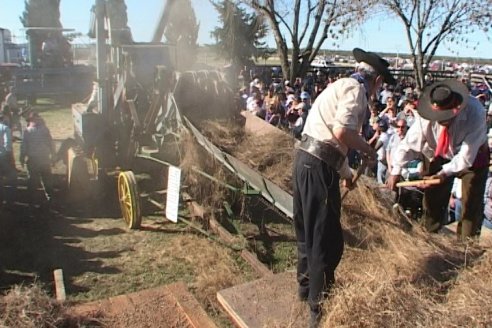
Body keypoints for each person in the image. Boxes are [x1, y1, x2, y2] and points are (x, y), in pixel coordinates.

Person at [293, 48, 395, 327]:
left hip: (304, 160)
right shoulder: (356, 90)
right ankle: (319, 310)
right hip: (318, 169)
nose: (378, 91)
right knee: (325, 240)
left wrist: (347, 173)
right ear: (377, 82)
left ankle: (305, 290)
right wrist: (367, 151)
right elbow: (342, 134)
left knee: (306, 232)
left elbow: (328, 141)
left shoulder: (338, 85)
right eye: (381, 85)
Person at [387, 80, 489, 240]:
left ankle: (466, 247)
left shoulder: (475, 112)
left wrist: (443, 174)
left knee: (471, 205)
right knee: (432, 202)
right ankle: (428, 238)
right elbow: (408, 146)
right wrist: (395, 171)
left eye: (445, 116)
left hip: (473, 156)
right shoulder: (425, 117)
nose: (441, 120)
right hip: (438, 154)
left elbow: (466, 157)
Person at [20, 113, 56, 206]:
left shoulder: (27, 131)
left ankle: (32, 200)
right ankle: (50, 198)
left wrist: (22, 157)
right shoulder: (45, 130)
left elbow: (23, 146)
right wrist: (53, 155)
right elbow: (51, 143)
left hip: (33, 159)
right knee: (47, 179)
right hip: (44, 158)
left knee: (32, 181)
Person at [0, 113, 17, 207]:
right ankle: (10, 200)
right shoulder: (5, 128)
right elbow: (8, 144)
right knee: (12, 178)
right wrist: (9, 156)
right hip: (3, 156)